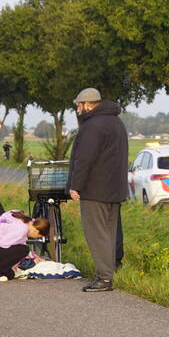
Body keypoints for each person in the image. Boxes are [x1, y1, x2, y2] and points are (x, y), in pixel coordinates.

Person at [67, 87, 128, 292]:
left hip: (95, 189)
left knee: (96, 233)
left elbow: (84, 159)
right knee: (109, 233)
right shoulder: (116, 122)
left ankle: (104, 278)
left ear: (88, 104)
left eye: (79, 105)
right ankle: (109, 272)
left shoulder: (93, 126)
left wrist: (75, 185)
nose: (77, 109)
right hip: (114, 188)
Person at [0, 210, 49, 282]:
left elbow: (20, 241)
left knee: (10, 275)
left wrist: (33, 257)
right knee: (23, 250)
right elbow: (5, 245)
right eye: (38, 236)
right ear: (36, 231)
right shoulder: (22, 229)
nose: (35, 238)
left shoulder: (19, 216)